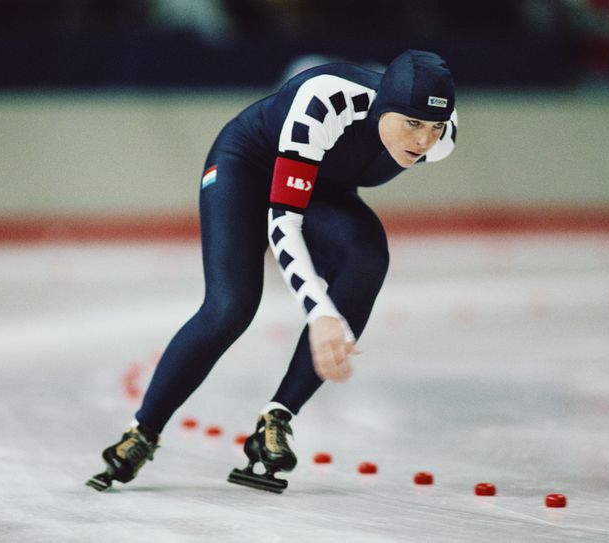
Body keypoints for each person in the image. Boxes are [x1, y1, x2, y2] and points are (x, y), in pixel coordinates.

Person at [86, 49, 458, 493]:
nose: (424, 140)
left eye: (435, 127)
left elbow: (324, 193)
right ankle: (142, 431)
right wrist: (321, 313)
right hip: (247, 168)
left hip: (322, 187)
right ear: (382, 106)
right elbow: (284, 224)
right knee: (231, 306)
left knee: (367, 256)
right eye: (412, 123)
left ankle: (276, 419)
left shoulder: (443, 140)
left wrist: (329, 311)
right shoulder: (325, 101)